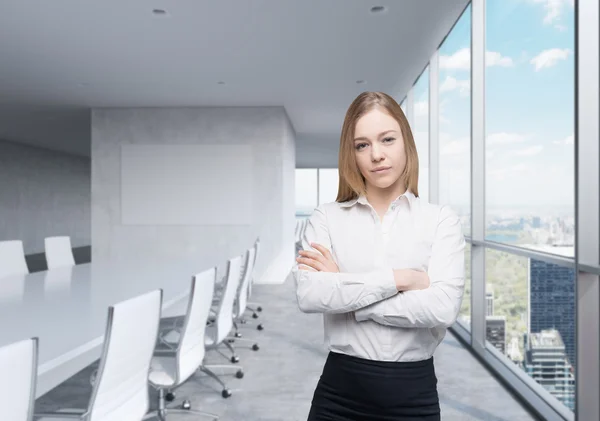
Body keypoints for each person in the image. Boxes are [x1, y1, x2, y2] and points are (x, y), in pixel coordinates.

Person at [292, 91, 465, 421]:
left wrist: (348, 295)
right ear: (351, 154)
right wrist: (404, 279)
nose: (376, 155)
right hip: (338, 394)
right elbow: (310, 294)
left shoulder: (440, 219)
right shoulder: (327, 217)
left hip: (415, 396)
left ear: (406, 143)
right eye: (362, 145)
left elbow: (442, 308)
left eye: (387, 139)